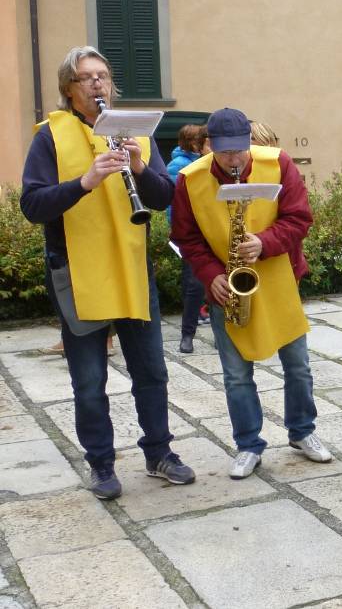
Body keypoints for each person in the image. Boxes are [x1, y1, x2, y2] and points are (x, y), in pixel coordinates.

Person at [20, 46, 196, 500]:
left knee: (152, 372)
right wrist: (85, 182)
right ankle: (100, 464)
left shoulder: (134, 132)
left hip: (132, 267)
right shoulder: (50, 137)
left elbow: (162, 198)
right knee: (88, 380)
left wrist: (139, 165)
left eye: (103, 75)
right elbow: (33, 206)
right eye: (86, 77)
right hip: (76, 271)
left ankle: (159, 453)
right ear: (68, 89)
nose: (98, 83)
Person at [171, 108, 332, 479]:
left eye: (240, 150)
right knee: (236, 375)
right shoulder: (189, 180)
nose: (234, 159)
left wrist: (264, 241)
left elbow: (299, 218)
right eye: (225, 151)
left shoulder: (279, 163)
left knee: (298, 367)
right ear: (209, 145)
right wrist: (210, 274)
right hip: (227, 287)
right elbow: (186, 238)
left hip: (278, 278)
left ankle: (302, 432)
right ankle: (248, 444)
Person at [166, 124, 210, 354]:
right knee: (194, 285)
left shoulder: (219, 165)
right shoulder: (184, 169)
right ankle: (187, 335)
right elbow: (176, 203)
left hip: (217, 229)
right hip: (194, 233)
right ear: (199, 145)